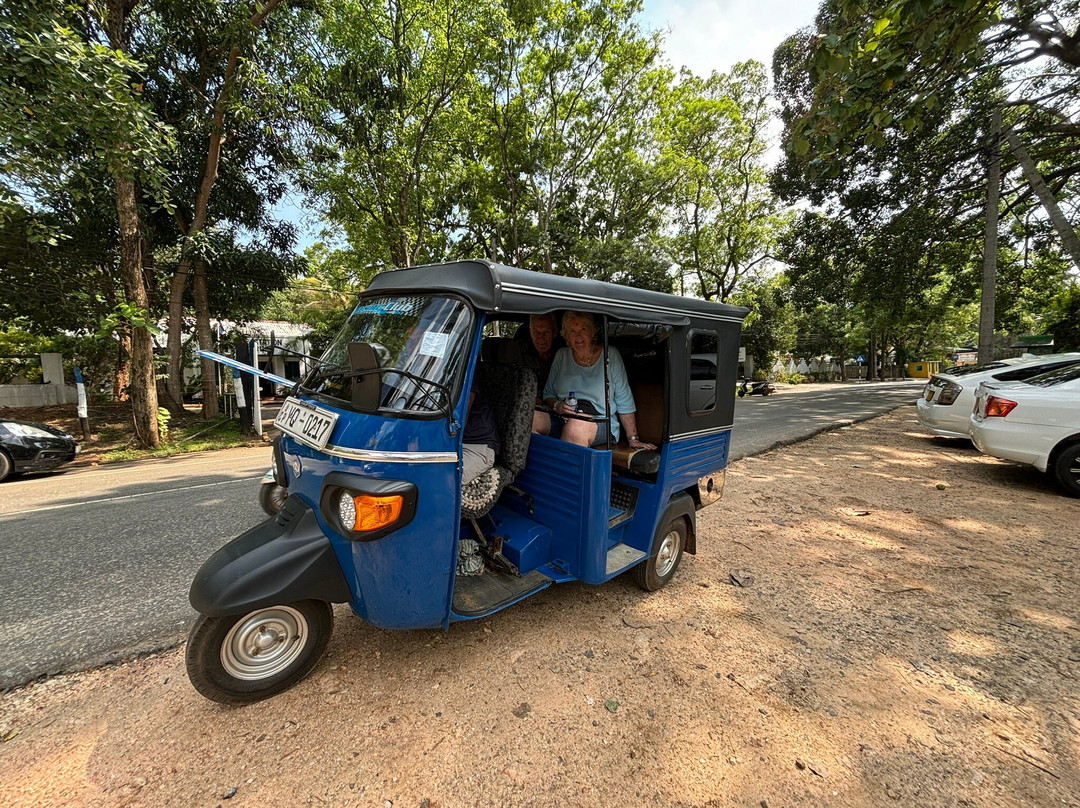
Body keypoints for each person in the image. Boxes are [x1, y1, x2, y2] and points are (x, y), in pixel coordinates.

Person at [531, 311, 656, 450]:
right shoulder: (562, 355)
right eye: (572, 331)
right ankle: (538, 468)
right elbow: (548, 393)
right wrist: (558, 406)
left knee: (575, 427)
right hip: (562, 417)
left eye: (583, 329)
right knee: (530, 418)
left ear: (592, 332)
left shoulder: (610, 355)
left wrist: (633, 438)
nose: (578, 335)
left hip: (598, 421)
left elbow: (623, 399)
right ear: (566, 335)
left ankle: (561, 470)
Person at [462, 382, 500, 484]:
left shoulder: (468, 378)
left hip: (478, 447)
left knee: (448, 479)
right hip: (455, 444)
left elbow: (461, 416)